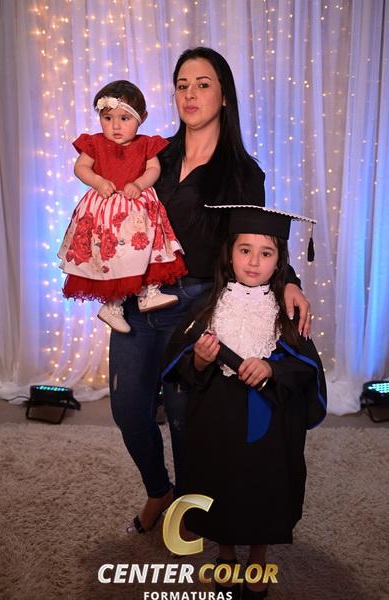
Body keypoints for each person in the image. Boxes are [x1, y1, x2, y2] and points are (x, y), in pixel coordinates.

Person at [108, 47, 312, 535]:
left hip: (197, 305)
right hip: (139, 299)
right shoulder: (153, 153)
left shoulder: (243, 171)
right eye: (182, 85)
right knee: (128, 411)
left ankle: (190, 508)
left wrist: (290, 281)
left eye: (203, 84)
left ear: (223, 96)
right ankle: (159, 490)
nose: (190, 94)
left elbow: (255, 240)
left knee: (185, 418)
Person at [162, 205, 327, 599]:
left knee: (264, 488)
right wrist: (200, 360)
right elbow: (179, 364)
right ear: (229, 254)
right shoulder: (209, 307)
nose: (254, 262)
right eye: (245, 250)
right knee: (217, 483)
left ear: (279, 260)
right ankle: (225, 555)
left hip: (269, 422)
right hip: (216, 415)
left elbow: (306, 366)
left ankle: (257, 557)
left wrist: (272, 368)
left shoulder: (287, 311)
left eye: (266, 253)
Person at [58, 80, 186, 333]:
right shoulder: (95, 143)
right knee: (112, 256)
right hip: (106, 211)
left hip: (137, 209)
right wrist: (98, 181)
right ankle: (112, 305)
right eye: (107, 118)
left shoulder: (146, 144)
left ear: (142, 118)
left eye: (124, 118)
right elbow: (80, 167)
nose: (115, 126)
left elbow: (153, 169)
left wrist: (139, 184)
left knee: (147, 248)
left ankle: (149, 292)